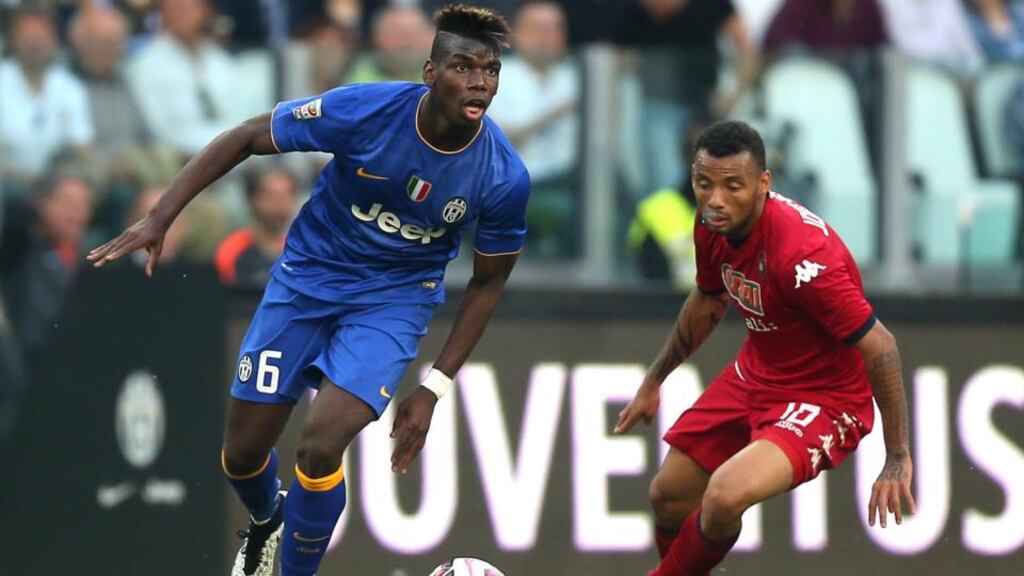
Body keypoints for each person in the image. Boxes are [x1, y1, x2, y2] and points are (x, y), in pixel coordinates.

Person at [88, 5, 527, 576]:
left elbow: (488, 283)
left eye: (489, 70)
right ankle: (268, 519)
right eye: (463, 67)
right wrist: (161, 217)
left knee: (320, 446)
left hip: (393, 300)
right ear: (429, 72)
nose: (478, 82)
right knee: (242, 456)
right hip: (306, 279)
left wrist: (434, 387)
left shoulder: (502, 175)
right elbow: (248, 135)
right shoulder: (365, 110)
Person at [614, 121, 915, 576]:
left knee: (723, 495)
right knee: (668, 494)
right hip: (758, 373)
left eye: (733, 186)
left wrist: (897, 456)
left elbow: (881, 346)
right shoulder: (711, 222)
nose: (715, 200)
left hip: (826, 397)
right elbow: (709, 300)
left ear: (763, 184)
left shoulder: (803, 256)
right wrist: (655, 379)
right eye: (704, 184)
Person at [487, 0, 579, 257]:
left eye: (555, 29)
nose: (547, 38)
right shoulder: (494, 76)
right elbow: (496, 142)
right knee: (569, 210)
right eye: (539, 29)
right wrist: (551, 115)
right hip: (519, 185)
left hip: (571, 179)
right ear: (516, 35)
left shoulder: (577, 76)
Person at [215, 166, 299, 287]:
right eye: (272, 195)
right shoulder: (233, 249)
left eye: (288, 195)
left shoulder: (299, 251)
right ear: (253, 200)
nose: (281, 204)